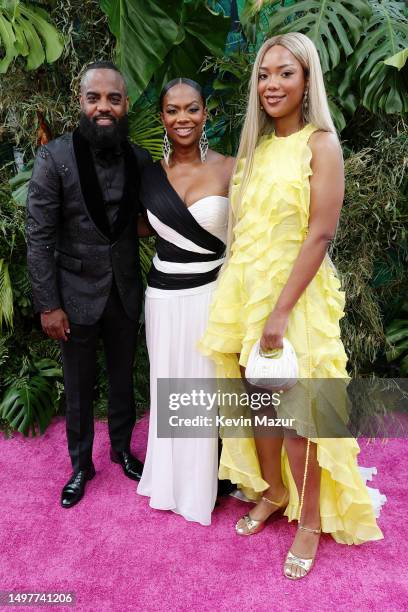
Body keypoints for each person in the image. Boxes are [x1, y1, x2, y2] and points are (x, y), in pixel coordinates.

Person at [199, 33, 385, 578]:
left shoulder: (319, 143)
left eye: (284, 73)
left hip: (295, 300)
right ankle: (275, 491)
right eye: (264, 74)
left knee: (300, 415)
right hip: (248, 293)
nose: (271, 84)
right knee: (257, 407)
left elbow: (320, 235)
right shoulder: (256, 149)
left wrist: (280, 312)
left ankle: (309, 521)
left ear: (307, 82)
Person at [26, 61, 152, 509]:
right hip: (74, 296)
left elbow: (148, 221)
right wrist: (48, 306)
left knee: (123, 380)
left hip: (124, 290)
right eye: (94, 98)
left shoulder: (138, 158)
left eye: (113, 99)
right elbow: (38, 236)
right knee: (78, 387)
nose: (104, 106)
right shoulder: (55, 158)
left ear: (125, 104)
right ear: (80, 102)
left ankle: (122, 449)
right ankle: (81, 465)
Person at [137, 78, 235, 525]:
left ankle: (204, 483)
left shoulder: (231, 168)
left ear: (205, 114)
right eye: (173, 110)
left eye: (191, 109)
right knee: (169, 386)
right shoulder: (147, 176)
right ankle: (172, 479)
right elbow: (138, 226)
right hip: (162, 296)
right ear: (162, 117)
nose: (182, 118)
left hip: (210, 295)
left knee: (206, 391)